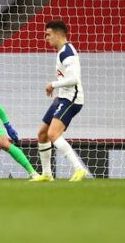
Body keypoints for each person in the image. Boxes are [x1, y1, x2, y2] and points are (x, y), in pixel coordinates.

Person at [37, 20, 87, 182]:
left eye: (48, 34)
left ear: (58, 34)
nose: (46, 38)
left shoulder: (67, 53)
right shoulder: (62, 52)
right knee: (42, 134)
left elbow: (74, 79)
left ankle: (79, 169)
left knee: (53, 133)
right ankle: (46, 174)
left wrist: (53, 84)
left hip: (72, 99)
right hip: (62, 97)